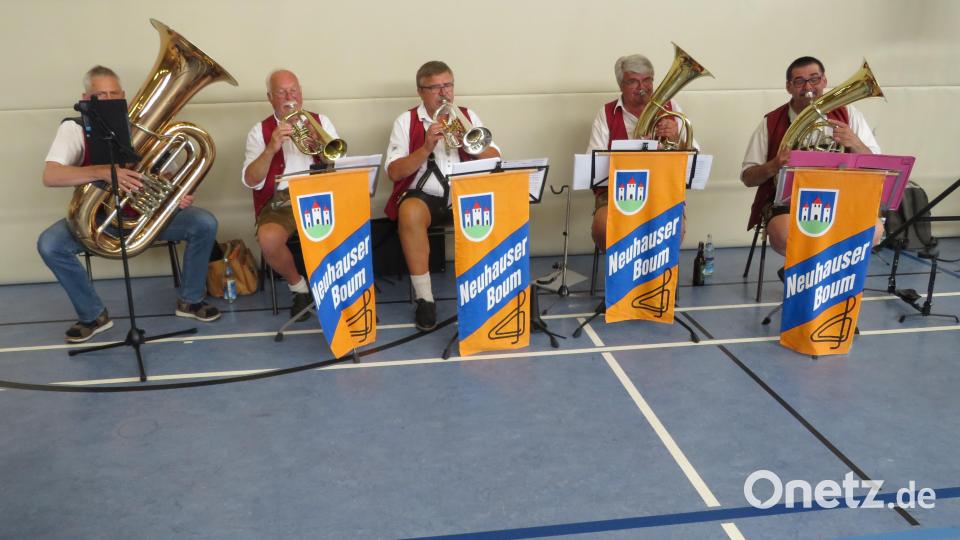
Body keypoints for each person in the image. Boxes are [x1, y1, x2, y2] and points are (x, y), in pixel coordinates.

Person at [38, 65, 221, 344]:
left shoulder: (148, 129)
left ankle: (190, 300)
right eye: (100, 95)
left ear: (123, 95)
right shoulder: (73, 129)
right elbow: (51, 176)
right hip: (95, 223)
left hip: (146, 219)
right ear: (86, 98)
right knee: (49, 244)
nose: (108, 100)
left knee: (204, 223)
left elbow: (169, 175)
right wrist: (102, 173)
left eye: (114, 94)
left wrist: (175, 194)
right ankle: (93, 315)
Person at [384, 61, 501, 331]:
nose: (444, 93)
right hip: (425, 196)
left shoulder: (468, 115)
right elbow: (394, 172)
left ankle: (486, 290)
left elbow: (495, 157)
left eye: (447, 85)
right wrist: (425, 148)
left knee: (496, 206)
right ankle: (425, 299)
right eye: (435, 88)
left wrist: (470, 144)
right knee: (409, 213)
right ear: (421, 92)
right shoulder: (406, 121)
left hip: (465, 195)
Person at [741, 56, 882, 257]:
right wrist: (774, 165)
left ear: (824, 81)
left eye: (814, 79)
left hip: (840, 196)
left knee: (874, 229)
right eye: (799, 81)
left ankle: (827, 272)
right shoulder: (771, 122)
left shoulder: (850, 115)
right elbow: (748, 177)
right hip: (787, 201)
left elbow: (876, 166)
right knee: (784, 233)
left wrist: (855, 143)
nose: (808, 86)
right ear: (789, 87)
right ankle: (808, 272)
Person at [242, 69, 342, 321]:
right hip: (281, 200)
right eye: (282, 92)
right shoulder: (259, 131)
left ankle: (341, 288)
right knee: (268, 239)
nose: (290, 97)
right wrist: (271, 148)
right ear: (270, 98)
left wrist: (318, 142)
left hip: (320, 194)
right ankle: (299, 288)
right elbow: (250, 180)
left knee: (353, 226)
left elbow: (340, 165)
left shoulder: (321, 121)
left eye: (294, 90)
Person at [587, 53, 693, 249]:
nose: (642, 87)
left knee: (674, 229)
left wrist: (677, 138)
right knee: (602, 228)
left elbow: (695, 155)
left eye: (647, 80)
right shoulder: (606, 113)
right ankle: (623, 272)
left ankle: (657, 276)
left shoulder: (672, 108)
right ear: (621, 85)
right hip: (617, 191)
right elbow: (592, 160)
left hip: (660, 188)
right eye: (633, 82)